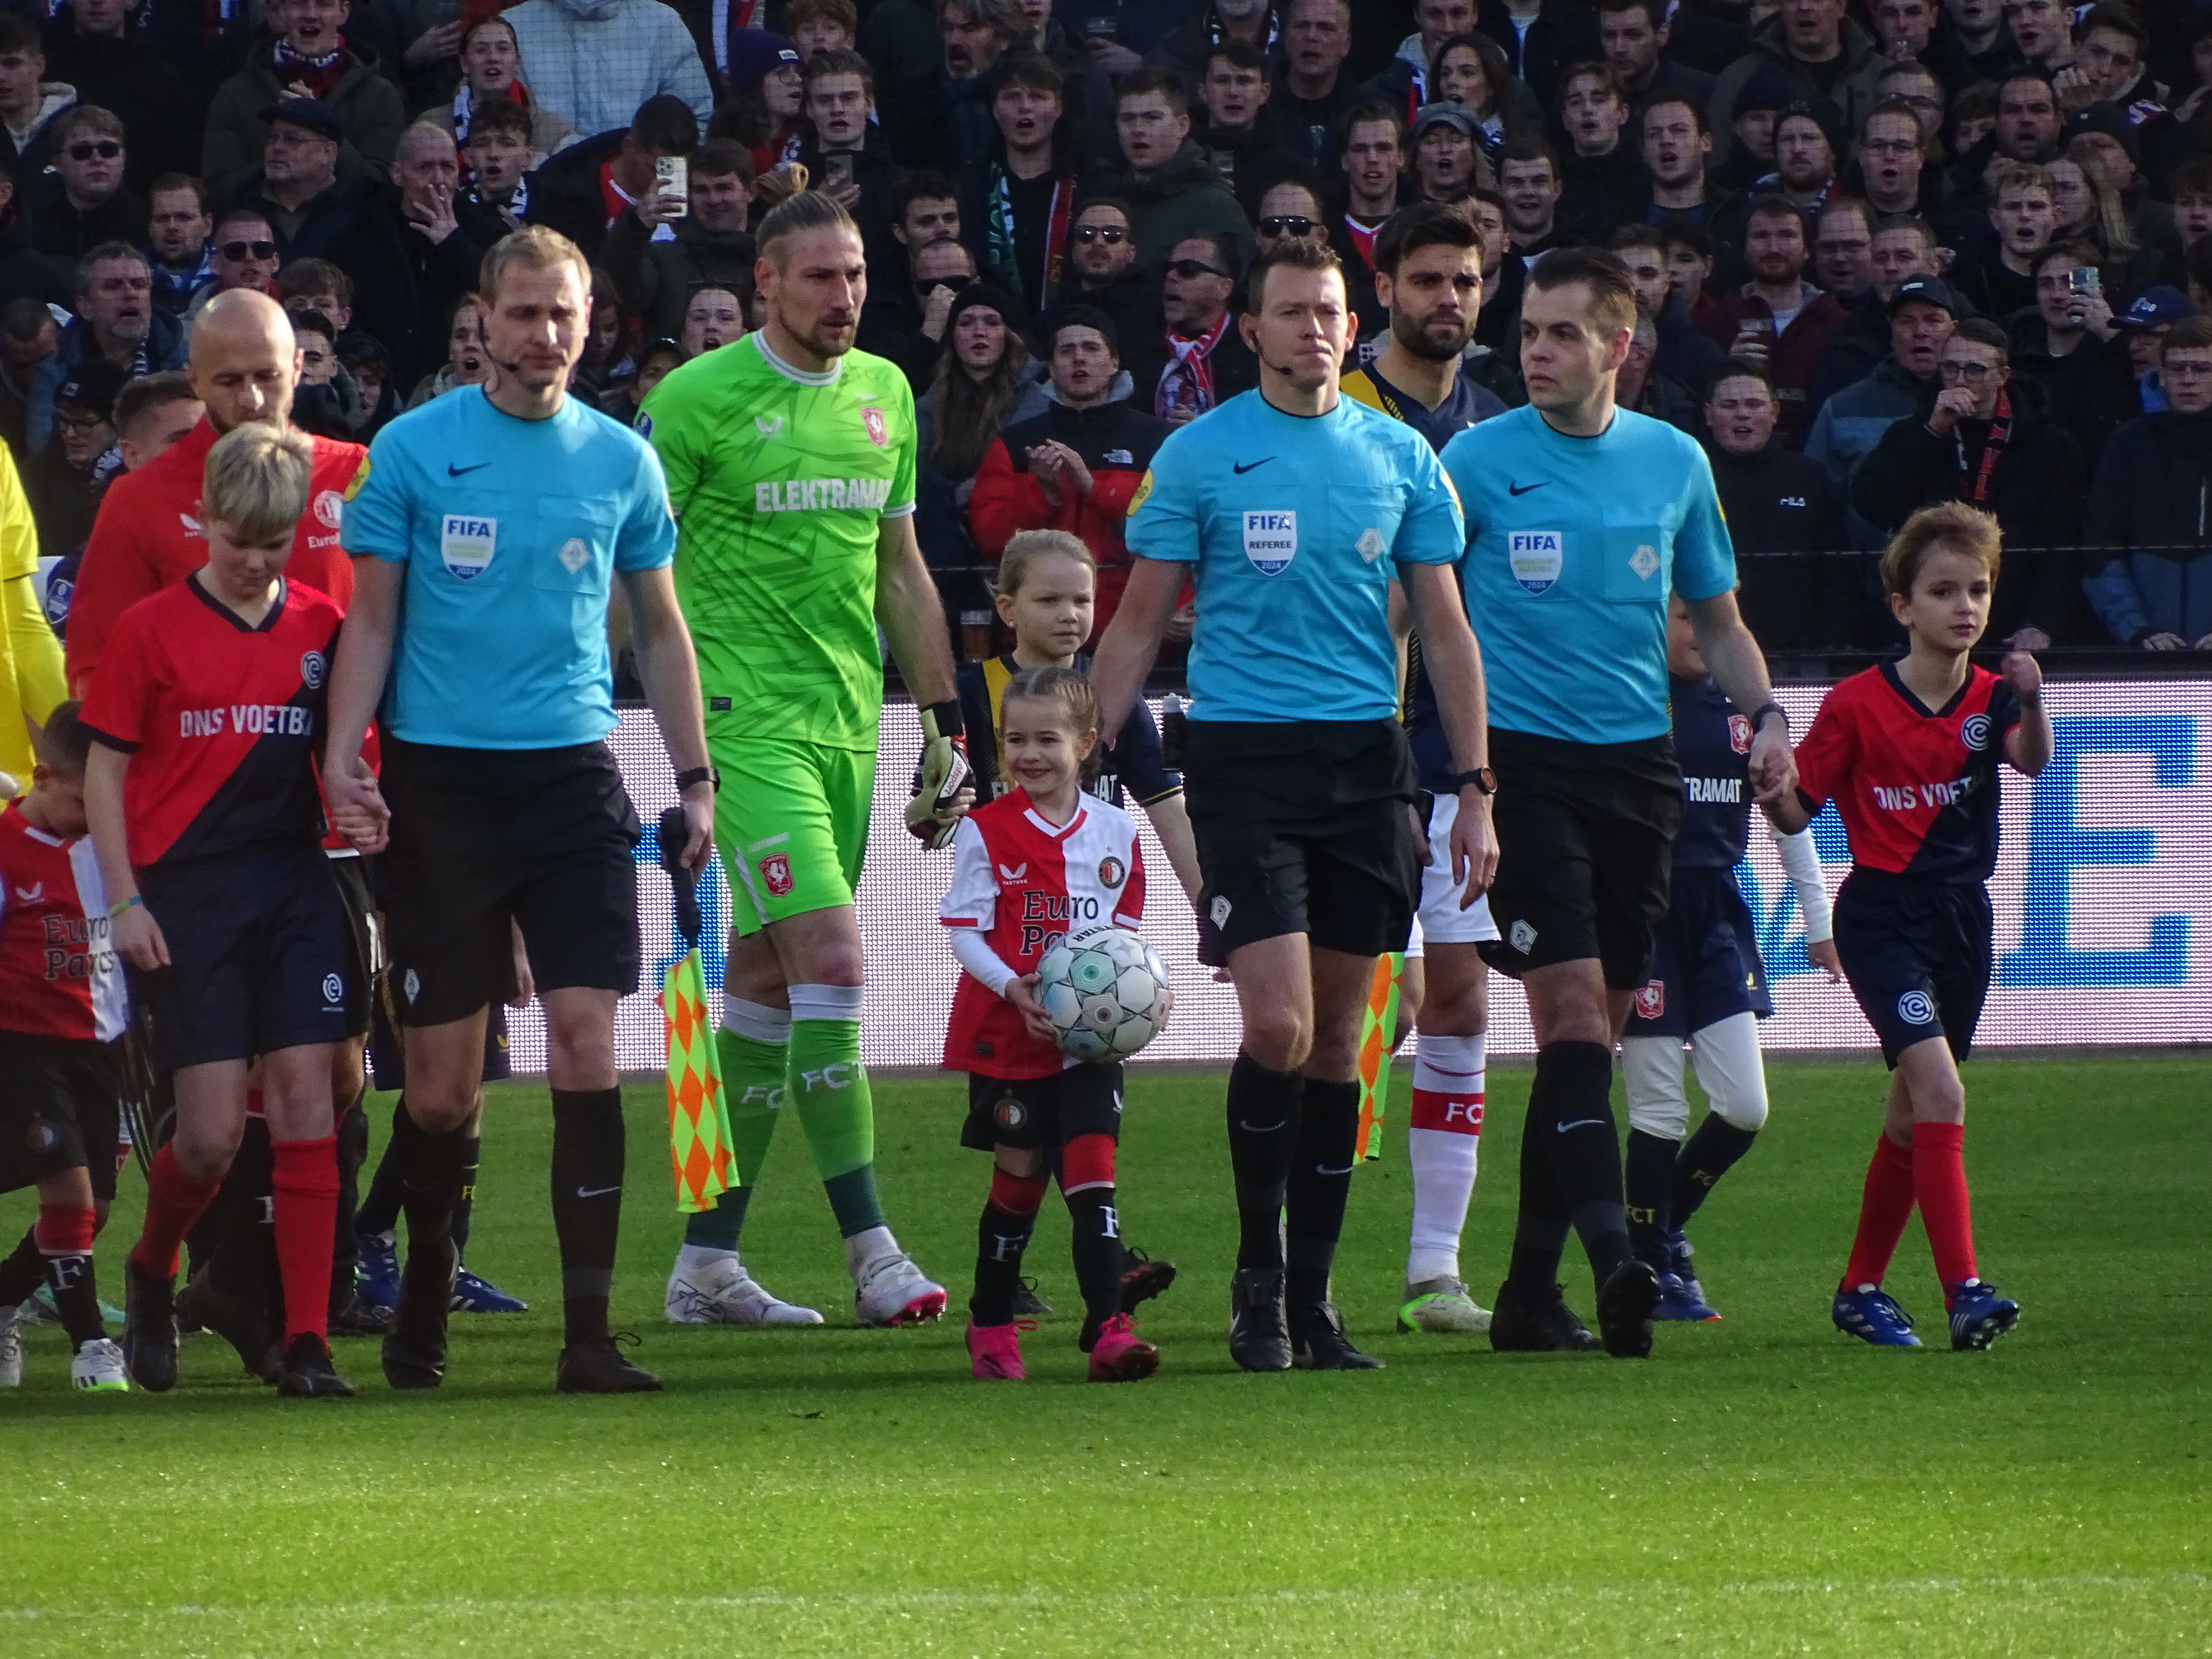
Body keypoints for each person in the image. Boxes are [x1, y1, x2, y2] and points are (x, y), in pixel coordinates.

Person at [324, 225, 714, 1395]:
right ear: (482, 321)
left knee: (589, 1042)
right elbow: (375, 622)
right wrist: (347, 757)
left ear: (590, 324)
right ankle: (422, 1298)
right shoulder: (409, 452)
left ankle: (588, 1337)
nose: (546, 335)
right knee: (441, 1092)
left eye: (564, 315)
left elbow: (659, 628)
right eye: (525, 314)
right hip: (441, 790)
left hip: (572, 781)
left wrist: (694, 779)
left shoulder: (621, 463)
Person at [1095, 235, 1497, 1373]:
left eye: (1328, 310)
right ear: (1253, 330)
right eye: (1291, 312)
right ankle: (1257, 1285)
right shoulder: (1202, 456)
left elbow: (1449, 633)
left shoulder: (1403, 457)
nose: (1314, 328)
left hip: (1369, 767)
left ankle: (1315, 1303)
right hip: (1244, 762)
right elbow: (1135, 624)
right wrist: (1086, 754)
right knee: (1279, 1026)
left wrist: (1472, 786)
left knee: (1342, 1052)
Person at [1440, 246, 1793, 1359]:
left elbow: (1720, 621)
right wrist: (1458, 777)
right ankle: (1618, 1262)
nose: (1535, 352)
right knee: (1578, 1024)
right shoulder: (1476, 462)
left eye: (1560, 335)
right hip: (1523, 770)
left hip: (1641, 777)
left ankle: (1528, 1296)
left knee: (1589, 1041)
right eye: (1528, 333)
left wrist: (1769, 715)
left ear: (1619, 349)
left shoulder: (1674, 462)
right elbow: (1424, 614)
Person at [641, 192, 967, 1331]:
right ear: (767, 283)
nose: (847, 297)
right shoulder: (694, 402)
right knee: (835, 956)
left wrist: (943, 721)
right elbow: (645, 578)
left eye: (859, 275)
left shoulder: (884, 397)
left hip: (848, 727)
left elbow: (904, 568)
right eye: (823, 277)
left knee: (773, 984)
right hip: (742, 724)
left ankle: (706, 1265)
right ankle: (873, 1251)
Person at [83, 423, 366, 1399]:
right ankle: (156, 1267)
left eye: (273, 544)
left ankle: (308, 1342)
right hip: (188, 895)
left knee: (305, 1101)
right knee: (208, 1137)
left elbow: (350, 756)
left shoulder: (326, 628)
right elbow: (106, 773)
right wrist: (122, 899)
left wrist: (363, 795)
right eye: (236, 541)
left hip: (294, 884)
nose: (252, 563)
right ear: (203, 521)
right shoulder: (149, 629)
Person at [1769, 501, 2049, 1351]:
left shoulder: (1997, 697)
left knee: (1907, 1115)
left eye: (1978, 590)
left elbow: (2031, 761)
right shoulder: (1856, 704)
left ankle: (1860, 1290)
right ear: (1903, 608)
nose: (1964, 607)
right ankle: (1965, 1289)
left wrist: (2034, 704)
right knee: (1943, 1092)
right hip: (1882, 917)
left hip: (1964, 919)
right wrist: (1771, 781)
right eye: (1943, 591)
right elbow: (1796, 812)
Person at [1335, 203, 1506, 1336]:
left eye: (1467, 281)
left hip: (1461, 760)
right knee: (1354, 1015)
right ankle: (1306, 1259)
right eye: (1429, 279)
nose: (1450, 299)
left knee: (1461, 995)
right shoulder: (1338, 414)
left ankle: (1433, 1270)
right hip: (1352, 751)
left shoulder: (1497, 431)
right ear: (1383, 286)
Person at [940, 662, 1164, 1383]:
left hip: (1089, 1047)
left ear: (1087, 743)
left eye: (1046, 740)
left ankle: (1109, 1330)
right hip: (1010, 1033)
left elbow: (1124, 930)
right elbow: (964, 931)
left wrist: (1131, 997)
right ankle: (992, 1320)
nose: (1029, 755)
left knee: (1094, 1175)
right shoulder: (984, 831)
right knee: (1020, 1180)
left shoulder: (1116, 833)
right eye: (1014, 740)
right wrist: (1016, 988)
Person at [1620, 596, 1838, 1323]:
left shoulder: (1746, 716)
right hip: (1643, 917)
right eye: (1679, 618)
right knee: (1657, 1105)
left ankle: (1662, 1227)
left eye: (1701, 617)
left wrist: (1819, 919)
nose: (1693, 633)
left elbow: (1788, 817)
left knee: (1745, 1107)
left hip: (1716, 919)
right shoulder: (1629, 701)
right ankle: (1650, 1268)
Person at [65, 290, 365, 695]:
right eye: (229, 380)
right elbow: (95, 667)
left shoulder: (355, 474)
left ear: (297, 369)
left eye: (267, 376)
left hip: (335, 751)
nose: (251, 399)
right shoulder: (139, 497)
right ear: (195, 380)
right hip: (192, 751)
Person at [0, 702, 128, 1392]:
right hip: (25, 1046)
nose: (92, 814)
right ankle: (93, 1348)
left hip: (102, 1046)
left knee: (94, 1209)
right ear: (44, 778)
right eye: (83, 800)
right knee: (71, 1192)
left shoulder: (113, 844)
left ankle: (1, 1299)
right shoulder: (5, 846)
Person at [1852, 317, 2086, 645]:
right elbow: (1872, 505)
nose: (1960, 380)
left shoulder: (2050, 445)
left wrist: (2041, 622)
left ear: (2002, 376)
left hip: (2014, 620)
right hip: (1929, 618)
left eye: (1975, 370)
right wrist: (1931, 434)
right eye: (1951, 369)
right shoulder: (1913, 432)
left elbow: (2064, 546)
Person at [969, 306, 1176, 643]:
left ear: (1114, 364)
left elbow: (1171, 531)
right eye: (1066, 351)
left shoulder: (1157, 439)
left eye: (1092, 348)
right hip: (1040, 636)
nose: (1079, 358)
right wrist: (1042, 495)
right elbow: (993, 540)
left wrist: (1094, 489)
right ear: (1051, 369)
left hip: (1133, 631)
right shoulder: (1016, 442)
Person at [1703, 358, 1853, 649]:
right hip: (1712, 647)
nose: (1743, 415)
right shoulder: (1690, 478)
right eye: (1729, 406)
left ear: (1775, 412)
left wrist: (1830, 644)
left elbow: (1837, 570)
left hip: (1799, 651)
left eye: (1754, 404)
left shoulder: (1808, 476)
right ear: (1709, 415)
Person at [2082, 315, 2212, 648]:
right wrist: (2137, 630)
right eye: (2178, 369)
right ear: (2162, 376)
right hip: (2144, 655)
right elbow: (2100, 549)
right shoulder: (2127, 444)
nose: (2188, 380)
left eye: (2202, 369)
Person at [200, 0, 407, 204]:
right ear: (280, 11)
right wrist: (281, 159)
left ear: (343, 12)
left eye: (323, 4)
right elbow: (220, 191)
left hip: (350, 233)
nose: (310, 14)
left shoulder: (381, 95)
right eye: (298, 3)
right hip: (264, 232)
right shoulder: (235, 93)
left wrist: (322, 129)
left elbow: (383, 190)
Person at [1112, 67, 1255, 280]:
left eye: (1152, 118)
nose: (1138, 129)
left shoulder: (1217, 208)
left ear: (1182, 126)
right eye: (1128, 119)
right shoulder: (1112, 202)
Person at [501, 0, 714, 140]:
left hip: (642, 192)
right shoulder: (514, 26)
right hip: (541, 195)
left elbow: (693, 124)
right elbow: (493, 123)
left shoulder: (661, 23)